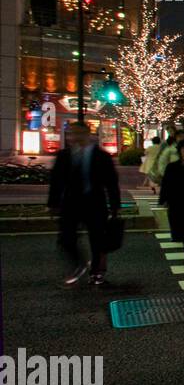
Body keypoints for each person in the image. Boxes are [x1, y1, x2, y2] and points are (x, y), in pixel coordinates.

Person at [48, 122, 121, 286]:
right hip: (70, 203)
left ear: (88, 134)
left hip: (95, 203)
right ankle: (79, 263)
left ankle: (96, 272)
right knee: (66, 238)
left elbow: (111, 182)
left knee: (97, 239)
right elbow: (56, 181)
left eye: (79, 133)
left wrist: (115, 205)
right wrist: (53, 203)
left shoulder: (101, 156)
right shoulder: (64, 155)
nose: (74, 137)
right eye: (71, 134)